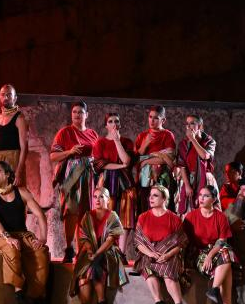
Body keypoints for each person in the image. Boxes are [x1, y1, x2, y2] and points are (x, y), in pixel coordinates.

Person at [0, 160, 50, 304]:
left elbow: (40, 214)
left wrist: (43, 238)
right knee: (12, 250)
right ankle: (19, 294)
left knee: (41, 252)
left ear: (7, 174)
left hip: (22, 234)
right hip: (1, 235)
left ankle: (36, 296)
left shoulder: (22, 192)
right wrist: (7, 237)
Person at [50, 100, 99, 262]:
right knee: (70, 210)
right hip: (71, 175)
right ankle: (69, 248)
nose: (77, 115)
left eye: (80, 112)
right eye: (74, 112)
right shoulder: (65, 132)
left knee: (86, 213)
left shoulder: (93, 134)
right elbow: (53, 156)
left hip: (88, 176)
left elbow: (98, 156)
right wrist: (69, 152)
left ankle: (82, 251)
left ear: (87, 115)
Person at [70, 187, 128, 304]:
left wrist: (96, 253)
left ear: (108, 200)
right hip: (90, 251)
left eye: (101, 197)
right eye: (95, 197)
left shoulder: (113, 216)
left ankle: (102, 303)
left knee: (97, 266)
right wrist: (90, 250)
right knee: (85, 271)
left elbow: (110, 241)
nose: (97, 200)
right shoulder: (87, 216)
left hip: (108, 251)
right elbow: (84, 238)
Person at [183, 185, 240, 304]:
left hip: (216, 251)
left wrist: (210, 255)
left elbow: (222, 241)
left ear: (214, 199)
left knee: (226, 252)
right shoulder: (191, 216)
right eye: (200, 195)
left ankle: (214, 289)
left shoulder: (220, 217)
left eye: (206, 196)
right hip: (198, 253)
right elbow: (184, 241)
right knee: (227, 265)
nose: (201, 198)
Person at [133, 185, 186, 304]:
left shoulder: (174, 218)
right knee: (147, 270)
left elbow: (180, 243)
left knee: (168, 270)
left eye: (155, 195)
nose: (151, 198)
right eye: (150, 195)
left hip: (169, 254)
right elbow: (138, 242)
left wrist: (167, 255)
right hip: (148, 254)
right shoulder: (143, 217)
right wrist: (150, 253)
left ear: (164, 199)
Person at [92, 112, 135, 256]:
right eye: (110, 121)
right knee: (106, 216)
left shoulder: (127, 142)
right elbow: (101, 165)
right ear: (106, 125)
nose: (114, 124)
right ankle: (106, 251)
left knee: (125, 216)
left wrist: (117, 141)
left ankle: (121, 252)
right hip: (107, 182)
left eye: (116, 121)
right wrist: (120, 166)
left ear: (120, 124)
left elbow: (127, 160)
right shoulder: (100, 142)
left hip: (125, 183)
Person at [0, 84, 29, 189]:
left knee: (12, 193)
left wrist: (19, 170)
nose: (6, 97)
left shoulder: (20, 118)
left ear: (15, 98)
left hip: (12, 159)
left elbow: (24, 147)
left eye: (9, 95)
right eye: (3, 95)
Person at [134, 106, 176, 216]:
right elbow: (136, 158)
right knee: (145, 205)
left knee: (162, 205)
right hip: (144, 178)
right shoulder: (142, 136)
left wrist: (146, 161)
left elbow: (168, 159)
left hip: (162, 177)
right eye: (150, 117)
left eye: (156, 118)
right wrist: (145, 144)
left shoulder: (167, 135)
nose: (152, 120)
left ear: (163, 120)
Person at [174, 115, 216, 216]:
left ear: (200, 126)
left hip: (204, 179)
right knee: (188, 210)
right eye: (187, 124)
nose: (189, 126)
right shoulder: (183, 144)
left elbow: (205, 156)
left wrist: (193, 139)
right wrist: (187, 186)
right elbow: (182, 166)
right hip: (188, 179)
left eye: (192, 123)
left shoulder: (209, 141)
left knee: (205, 209)